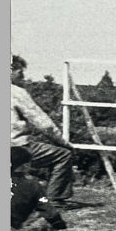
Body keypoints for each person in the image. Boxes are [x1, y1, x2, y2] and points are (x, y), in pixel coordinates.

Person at [11, 55, 75, 208]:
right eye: (20, 72)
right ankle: (55, 199)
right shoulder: (16, 92)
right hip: (15, 147)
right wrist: (62, 142)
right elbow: (43, 123)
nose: (23, 76)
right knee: (63, 155)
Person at [11, 146, 67, 231]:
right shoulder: (33, 186)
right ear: (26, 165)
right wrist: (60, 225)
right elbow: (48, 210)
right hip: (14, 224)